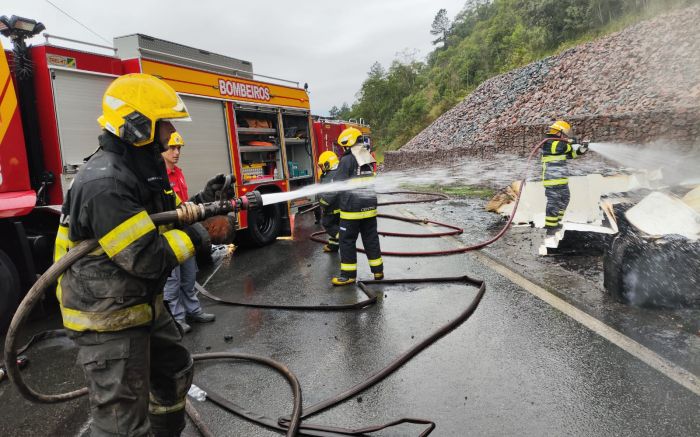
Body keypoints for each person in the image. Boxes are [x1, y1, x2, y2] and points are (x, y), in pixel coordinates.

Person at [53, 73, 233, 437]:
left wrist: (202, 203)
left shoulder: (138, 169)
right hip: (106, 318)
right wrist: (200, 234)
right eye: (164, 122)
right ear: (138, 126)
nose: (170, 131)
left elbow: (162, 221)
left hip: (137, 303)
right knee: (121, 423)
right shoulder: (105, 183)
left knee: (172, 371)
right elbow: (146, 257)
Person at [161, 132, 216, 334]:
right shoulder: (158, 177)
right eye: (171, 148)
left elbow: (184, 204)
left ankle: (193, 311)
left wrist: (204, 197)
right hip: (168, 236)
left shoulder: (178, 173)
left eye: (179, 149)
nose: (176, 153)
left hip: (184, 233)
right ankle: (177, 319)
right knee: (172, 281)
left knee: (189, 275)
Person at [331, 127, 383, 286]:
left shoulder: (346, 160)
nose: (343, 149)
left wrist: (327, 201)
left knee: (346, 241)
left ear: (348, 143)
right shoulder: (367, 157)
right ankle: (378, 271)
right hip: (369, 209)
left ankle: (348, 275)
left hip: (351, 211)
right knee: (371, 239)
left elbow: (337, 184)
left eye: (344, 146)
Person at [541, 120, 588, 236]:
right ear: (558, 132)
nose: (566, 136)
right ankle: (550, 227)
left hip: (562, 181)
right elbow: (562, 147)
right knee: (553, 202)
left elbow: (571, 154)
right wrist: (571, 142)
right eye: (564, 133)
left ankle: (556, 222)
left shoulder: (561, 145)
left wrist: (582, 149)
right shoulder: (549, 143)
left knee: (565, 200)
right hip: (552, 181)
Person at [317, 150, 341, 252]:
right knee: (336, 224)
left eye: (322, 166)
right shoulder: (338, 172)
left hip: (331, 209)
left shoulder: (329, 176)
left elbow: (329, 195)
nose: (321, 168)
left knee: (328, 224)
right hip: (339, 209)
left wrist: (322, 202)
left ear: (328, 164)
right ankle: (333, 246)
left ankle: (343, 237)